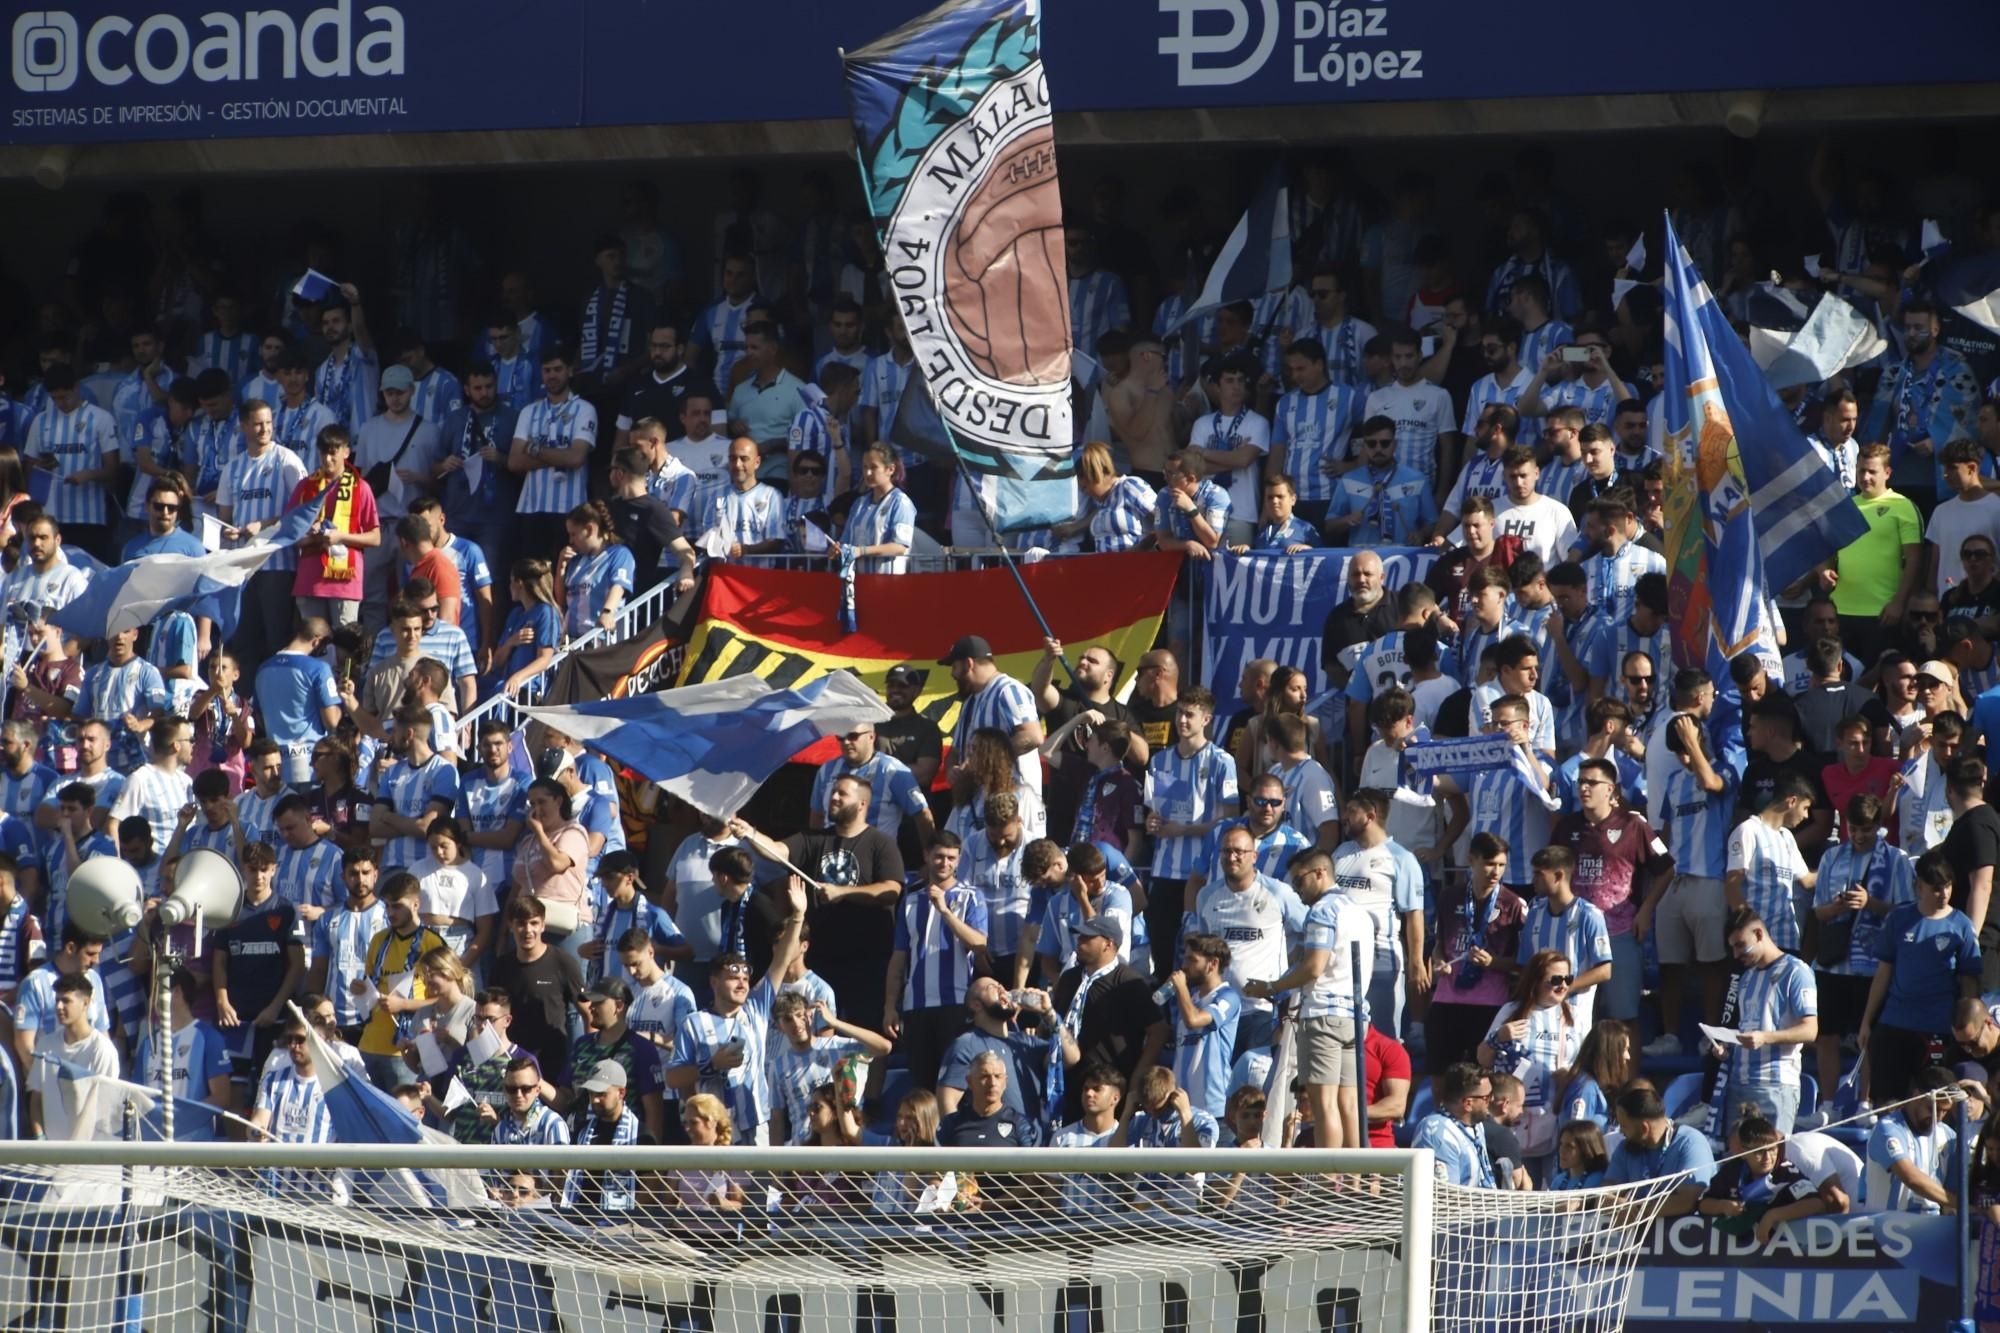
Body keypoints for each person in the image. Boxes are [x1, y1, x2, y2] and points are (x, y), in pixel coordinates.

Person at [665, 875, 809, 1145]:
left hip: (755, 1126)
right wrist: (711, 1065)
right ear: (714, 982)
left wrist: (798, 916)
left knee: (755, 1189)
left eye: (745, 977)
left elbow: (782, 959)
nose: (742, 982)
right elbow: (673, 1077)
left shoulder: (755, 1008)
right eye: (734, 977)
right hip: (712, 1131)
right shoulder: (693, 1023)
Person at [1860, 852, 1981, 1106]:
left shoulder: (1961, 926)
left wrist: (1968, 1025)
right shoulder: (1899, 919)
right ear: (1919, 886)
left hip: (1936, 1026)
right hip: (1895, 1023)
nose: (1944, 894)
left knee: (1933, 1103)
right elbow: (1883, 974)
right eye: (1936, 888)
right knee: (1888, 1101)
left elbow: (1969, 981)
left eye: (1948, 886)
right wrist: (1867, 1021)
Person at [1144, 687, 1240, 973]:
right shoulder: (1160, 761)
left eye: (1190, 715)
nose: (1182, 720)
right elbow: (1157, 809)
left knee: (1199, 955)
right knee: (1161, 954)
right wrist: (1152, 822)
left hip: (1201, 874)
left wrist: (1184, 830)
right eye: (1179, 713)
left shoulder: (1222, 762)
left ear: (1206, 720)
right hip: (1163, 870)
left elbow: (1230, 821)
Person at [884, 834, 988, 1091]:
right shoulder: (909, 901)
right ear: (927, 856)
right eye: (939, 856)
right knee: (922, 1086)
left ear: (959, 860)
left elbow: (979, 943)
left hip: (956, 1003)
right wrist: (889, 1006)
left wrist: (944, 910)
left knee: (956, 1084)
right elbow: (899, 958)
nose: (945, 863)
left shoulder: (971, 897)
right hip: (916, 1005)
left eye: (951, 858)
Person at [1045, 917, 1167, 1120]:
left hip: (1109, 1083)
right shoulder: (1069, 978)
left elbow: (1158, 1031)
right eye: (1079, 936)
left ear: (1108, 944)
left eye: (1087, 937)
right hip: (1066, 1081)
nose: (1079, 941)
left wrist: (1137, 1077)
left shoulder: (1129, 982)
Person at [1712, 909, 1820, 1135]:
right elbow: (1748, 1028)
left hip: (1775, 1085)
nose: (1736, 954)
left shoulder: (1796, 971)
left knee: (1772, 1161)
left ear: (1759, 934)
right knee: (1737, 1163)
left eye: (1740, 945)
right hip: (1738, 1084)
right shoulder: (1747, 977)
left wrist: (1765, 1038)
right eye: (1732, 947)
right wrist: (1728, 1048)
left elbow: (1810, 1030)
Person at [1426, 834, 1526, 1073]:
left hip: (1489, 1002)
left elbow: (1524, 963)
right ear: (1471, 860)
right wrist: (1439, 961)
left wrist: (1493, 962)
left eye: (1502, 865)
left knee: (1482, 1075)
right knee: (1441, 1072)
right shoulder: (1449, 897)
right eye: (1490, 863)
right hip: (1447, 998)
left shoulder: (1513, 904)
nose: (1496, 872)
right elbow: (1440, 945)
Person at [1476, 948, 1583, 1160]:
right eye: (1555, 979)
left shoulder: (1575, 1017)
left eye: (1568, 979)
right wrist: (1498, 1038)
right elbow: (1483, 1058)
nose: (1563, 985)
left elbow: (1585, 1061)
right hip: (1516, 1119)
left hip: (1556, 1119)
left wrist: (1570, 1075)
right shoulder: (1511, 1011)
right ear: (1535, 980)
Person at [1699, 1114, 1840, 1242]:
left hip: (1787, 1251)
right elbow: (1703, 1204)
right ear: (1743, 1152)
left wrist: (1773, 1215)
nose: (1767, 1158)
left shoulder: (1786, 1172)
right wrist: (1723, 1206)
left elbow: (1816, 1204)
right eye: (1759, 1152)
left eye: (1772, 1150)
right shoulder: (1732, 1170)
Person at [1605, 1083, 1717, 1217]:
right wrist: (1617, 1205)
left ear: (1644, 1128)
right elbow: (1604, 1196)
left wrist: (1638, 1211)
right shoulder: (1626, 1147)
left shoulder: (1691, 1143)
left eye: (1624, 1126)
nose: (1621, 1132)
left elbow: (1687, 1200)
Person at [1864, 1066, 1960, 1214]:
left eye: (1944, 1111)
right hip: (1885, 1226)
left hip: (1932, 1224)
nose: (1938, 1117)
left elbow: (1951, 1190)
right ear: (1916, 1095)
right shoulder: (1888, 1129)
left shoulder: (1949, 1136)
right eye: (1932, 1108)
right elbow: (1911, 1178)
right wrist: (1963, 1205)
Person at [1410, 1063, 1497, 1187]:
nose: (1492, 1100)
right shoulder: (1437, 1133)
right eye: (1487, 1097)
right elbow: (1447, 1197)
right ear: (1468, 1104)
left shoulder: (1475, 1125)